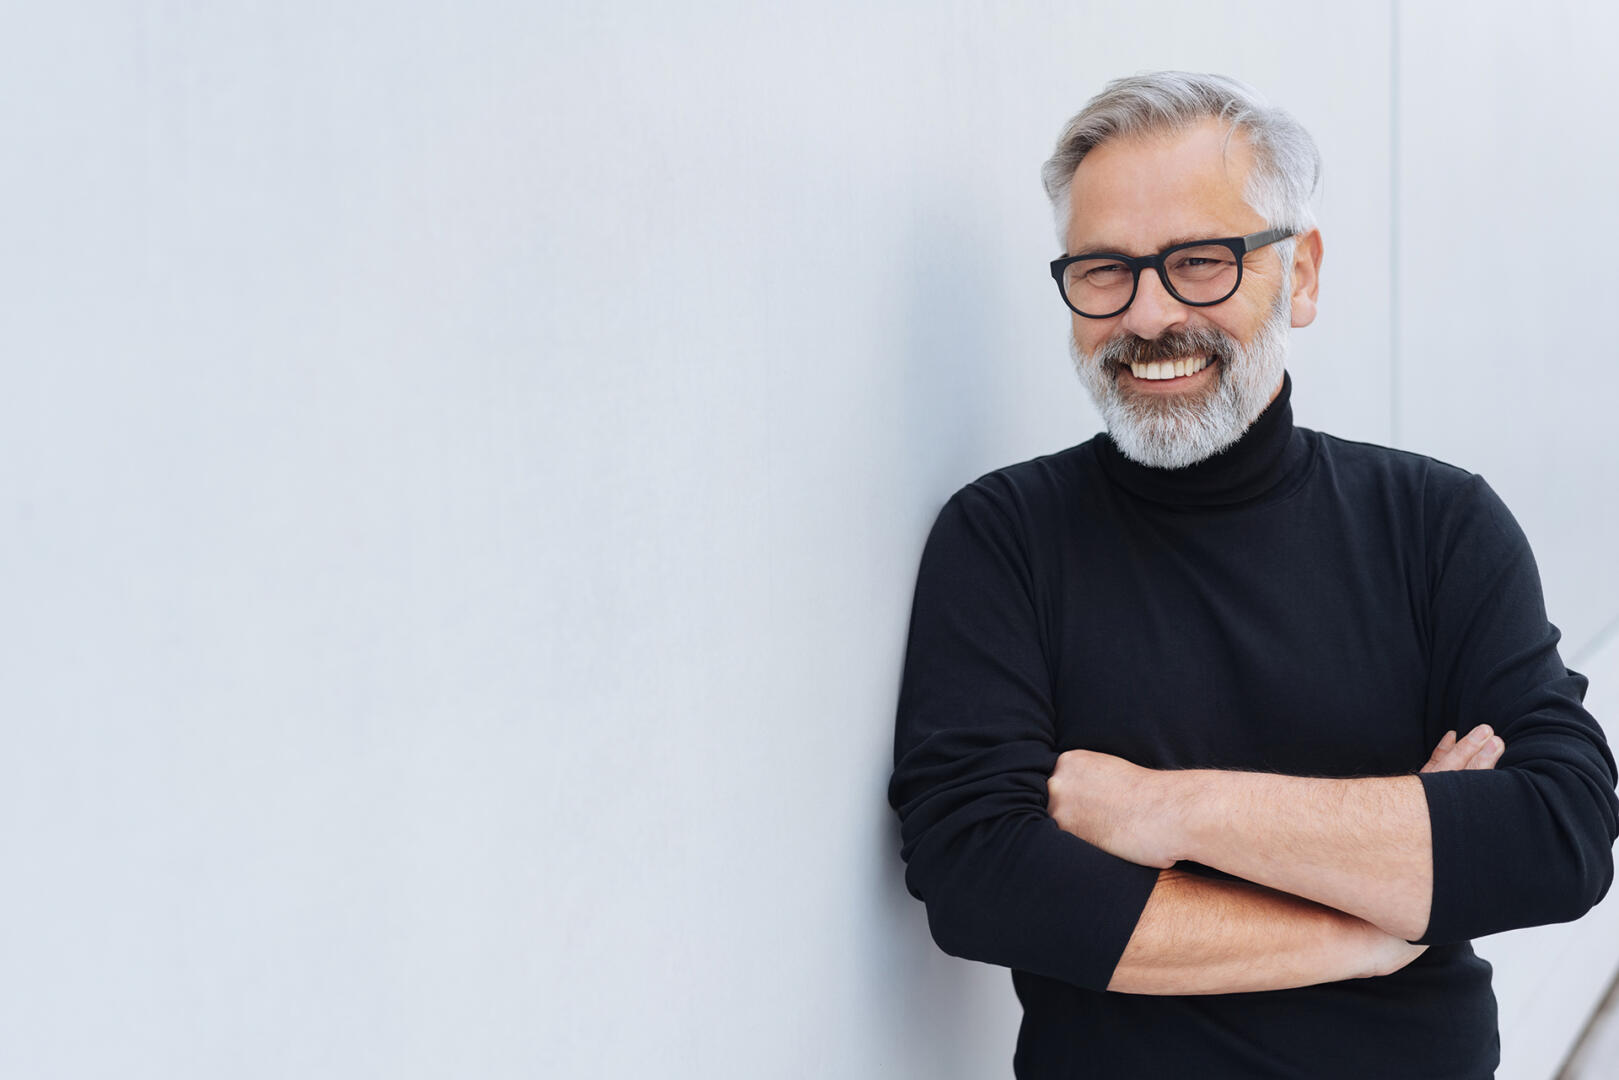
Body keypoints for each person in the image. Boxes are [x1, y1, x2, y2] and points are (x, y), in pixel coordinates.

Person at [888, 71, 1619, 1078]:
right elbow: (979, 876)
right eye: (1103, 270)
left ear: (1300, 274)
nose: (1146, 316)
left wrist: (1166, 811)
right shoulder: (1004, 538)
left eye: (1199, 262)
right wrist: (1367, 920)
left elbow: (1556, 832)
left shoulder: (1434, 525)